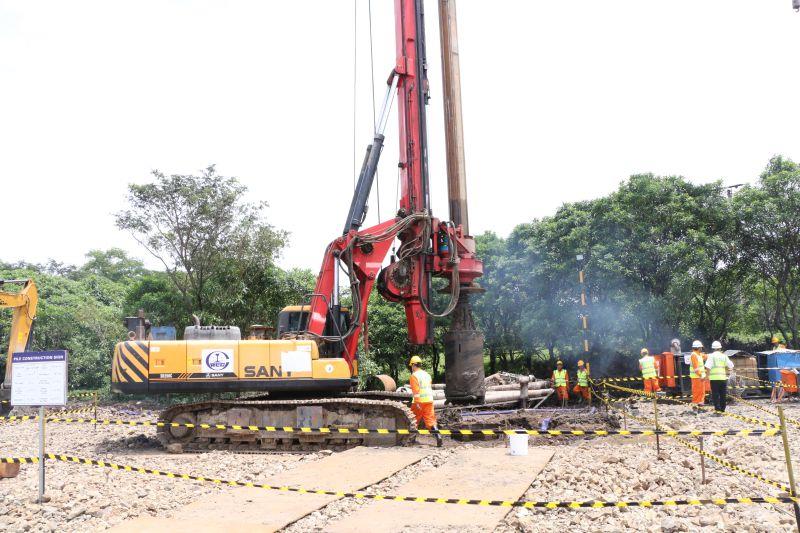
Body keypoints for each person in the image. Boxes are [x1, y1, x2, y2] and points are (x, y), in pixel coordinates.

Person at [408, 355, 442, 447]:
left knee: (413, 420)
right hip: (429, 400)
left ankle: (410, 440)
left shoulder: (414, 376)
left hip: (419, 402)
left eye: (411, 366)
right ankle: (438, 436)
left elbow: (416, 391)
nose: (411, 368)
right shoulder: (427, 375)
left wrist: (417, 402)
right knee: (430, 420)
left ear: (414, 365)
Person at [705, 341, 734, 414]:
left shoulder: (711, 356)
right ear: (720, 348)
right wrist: (728, 369)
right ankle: (723, 409)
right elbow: (731, 366)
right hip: (723, 378)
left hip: (714, 379)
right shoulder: (724, 356)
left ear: (713, 348)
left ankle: (717, 410)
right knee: (723, 395)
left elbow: (708, 367)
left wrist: (707, 376)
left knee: (715, 395)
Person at [688, 340, 708, 414]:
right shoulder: (694, 355)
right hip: (697, 377)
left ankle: (700, 407)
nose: (702, 348)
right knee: (697, 392)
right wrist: (701, 375)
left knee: (701, 392)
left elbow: (705, 356)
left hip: (700, 377)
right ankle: (695, 408)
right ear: (698, 348)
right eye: (701, 347)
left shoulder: (699, 354)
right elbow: (696, 368)